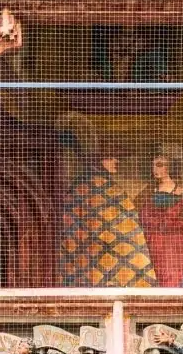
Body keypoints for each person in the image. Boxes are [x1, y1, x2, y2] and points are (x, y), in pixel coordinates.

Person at [56, 117, 155, 287]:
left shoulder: (83, 185)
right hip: (96, 258)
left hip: (99, 260)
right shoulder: (98, 188)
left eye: (116, 157)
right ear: (99, 159)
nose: (116, 161)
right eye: (111, 157)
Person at [136, 149, 183, 288]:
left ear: (171, 166)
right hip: (151, 243)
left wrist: (169, 224)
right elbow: (141, 217)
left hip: (173, 246)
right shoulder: (148, 191)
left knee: (173, 280)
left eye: (160, 164)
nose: (155, 168)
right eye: (153, 164)